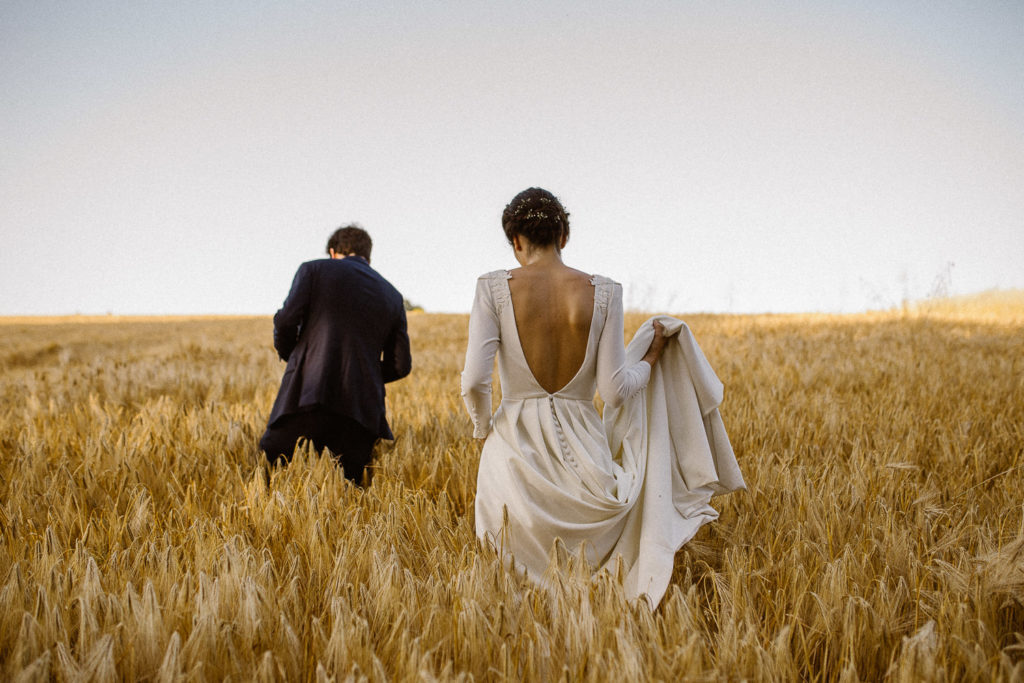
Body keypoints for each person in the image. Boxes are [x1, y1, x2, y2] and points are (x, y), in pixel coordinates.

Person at [461, 188, 744, 607]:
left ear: (516, 241)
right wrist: (650, 356)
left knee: (514, 593)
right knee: (589, 590)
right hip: (584, 449)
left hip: (514, 451)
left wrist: (484, 428)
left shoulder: (493, 288)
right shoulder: (606, 292)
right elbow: (614, 392)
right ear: (564, 235)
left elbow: (473, 381)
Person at [261, 225, 411, 484]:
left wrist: (295, 360)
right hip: (361, 415)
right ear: (368, 257)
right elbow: (401, 365)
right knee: (350, 499)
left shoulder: (313, 270)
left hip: (306, 398)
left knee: (269, 476)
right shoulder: (392, 296)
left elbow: (285, 322)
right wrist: (365, 375)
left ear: (333, 252)